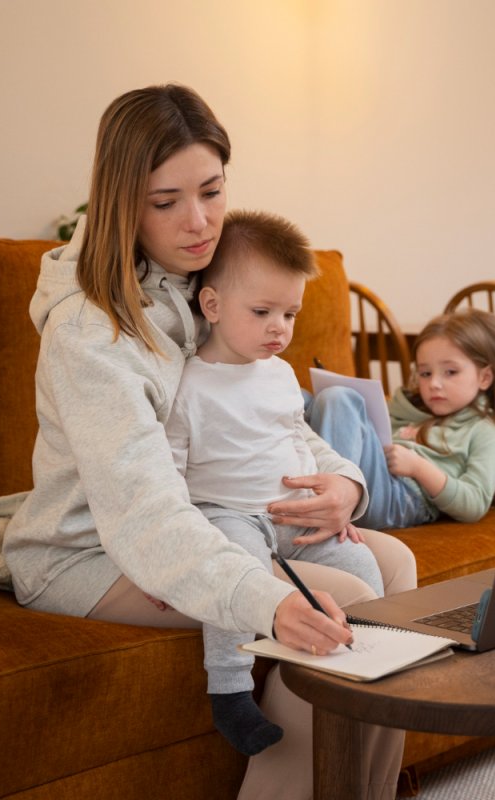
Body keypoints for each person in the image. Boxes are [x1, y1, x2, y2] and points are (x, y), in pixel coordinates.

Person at [2, 84, 415, 800]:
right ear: (121, 201)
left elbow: (272, 414)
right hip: (91, 548)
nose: (198, 223)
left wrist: (349, 484)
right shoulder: (89, 335)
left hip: (213, 513)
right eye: (165, 202)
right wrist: (253, 593)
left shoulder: (206, 286)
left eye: (212, 191)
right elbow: (142, 510)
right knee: (346, 607)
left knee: (399, 567)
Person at [167, 208, 384, 756]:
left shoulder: (281, 374)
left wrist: (338, 492)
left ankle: (376, 658)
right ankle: (231, 692)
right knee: (232, 572)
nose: (279, 329)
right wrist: (166, 551)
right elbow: (166, 468)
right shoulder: (189, 383)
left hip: (292, 515)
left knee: (360, 563)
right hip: (226, 515)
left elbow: (297, 436)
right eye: (262, 311)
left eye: (289, 313)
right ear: (211, 305)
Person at [309, 310, 495, 529]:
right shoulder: (406, 409)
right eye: (425, 374)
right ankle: (323, 496)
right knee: (304, 399)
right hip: (371, 483)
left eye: (450, 372)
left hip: (405, 498)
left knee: (339, 398)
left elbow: (475, 503)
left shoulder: (484, 430)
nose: (434, 383)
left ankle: (330, 503)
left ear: (484, 377)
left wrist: (418, 468)